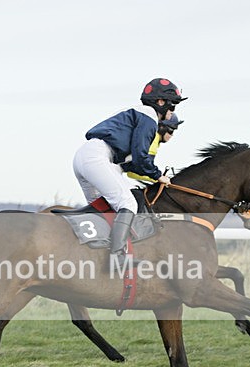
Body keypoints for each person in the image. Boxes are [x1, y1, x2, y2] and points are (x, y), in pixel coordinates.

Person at [72, 78, 187, 268]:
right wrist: (158, 175)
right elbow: (141, 158)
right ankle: (116, 257)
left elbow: (132, 163)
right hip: (98, 158)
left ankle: (93, 255)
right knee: (127, 203)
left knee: (104, 210)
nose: (173, 110)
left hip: (89, 157)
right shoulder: (149, 117)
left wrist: (150, 172)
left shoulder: (138, 114)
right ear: (160, 102)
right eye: (172, 105)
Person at [125, 113, 184, 184]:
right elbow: (135, 171)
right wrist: (158, 178)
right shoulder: (153, 140)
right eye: (171, 131)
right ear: (161, 128)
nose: (172, 135)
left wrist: (158, 177)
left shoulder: (151, 138)